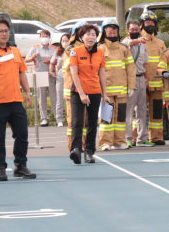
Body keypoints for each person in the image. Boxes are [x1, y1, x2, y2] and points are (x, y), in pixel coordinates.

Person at [0, 18, 36, 181]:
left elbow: (22, 72)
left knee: (22, 135)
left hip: (16, 102)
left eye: (6, 31)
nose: (4, 34)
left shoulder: (14, 51)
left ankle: (21, 166)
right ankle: (0, 168)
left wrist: (28, 92)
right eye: (0, 31)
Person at [67, 24, 110, 164]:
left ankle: (90, 151)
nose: (91, 37)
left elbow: (102, 74)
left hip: (95, 91)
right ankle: (76, 149)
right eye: (88, 34)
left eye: (93, 35)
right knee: (77, 122)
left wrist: (105, 94)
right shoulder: (75, 52)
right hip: (78, 92)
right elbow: (74, 73)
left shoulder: (100, 53)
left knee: (92, 123)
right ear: (81, 37)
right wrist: (81, 94)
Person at [97, 18, 135, 151]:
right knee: (106, 118)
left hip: (122, 91)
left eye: (114, 32)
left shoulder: (124, 49)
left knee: (120, 118)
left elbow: (131, 68)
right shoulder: (99, 49)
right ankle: (105, 142)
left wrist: (131, 86)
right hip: (106, 91)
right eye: (109, 32)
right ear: (104, 33)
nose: (112, 35)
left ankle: (119, 141)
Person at [138, 11, 167, 145]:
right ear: (142, 25)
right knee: (139, 112)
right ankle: (135, 137)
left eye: (152, 22)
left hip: (157, 83)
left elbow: (164, 61)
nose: (150, 25)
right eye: (147, 22)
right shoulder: (137, 42)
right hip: (141, 83)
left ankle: (156, 137)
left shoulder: (160, 43)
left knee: (156, 111)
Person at [122, 20, 148, 145]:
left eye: (137, 29)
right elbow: (131, 43)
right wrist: (139, 40)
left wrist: (146, 78)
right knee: (129, 110)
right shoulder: (125, 42)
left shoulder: (143, 45)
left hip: (141, 77)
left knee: (142, 109)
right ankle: (127, 138)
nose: (134, 31)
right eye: (132, 29)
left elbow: (145, 63)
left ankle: (142, 138)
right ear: (128, 31)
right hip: (130, 80)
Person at [24, 29, 57, 127]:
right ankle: (44, 118)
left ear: (49, 38)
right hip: (39, 74)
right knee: (41, 98)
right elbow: (26, 59)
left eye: (46, 36)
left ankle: (57, 117)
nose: (45, 38)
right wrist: (33, 57)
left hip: (51, 74)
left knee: (54, 97)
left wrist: (51, 60)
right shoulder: (35, 48)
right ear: (40, 38)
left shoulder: (54, 48)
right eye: (43, 36)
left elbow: (59, 60)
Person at [48, 32, 70, 127]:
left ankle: (71, 118)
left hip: (71, 77)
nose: (64, 42)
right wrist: (51, 71)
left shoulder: (73, 51)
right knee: (59, 99)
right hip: (61, 76)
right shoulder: (58, 52)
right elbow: (52, 63)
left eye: (66, 40)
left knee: (71, 99)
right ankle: (59, 119)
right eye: (63, 41)